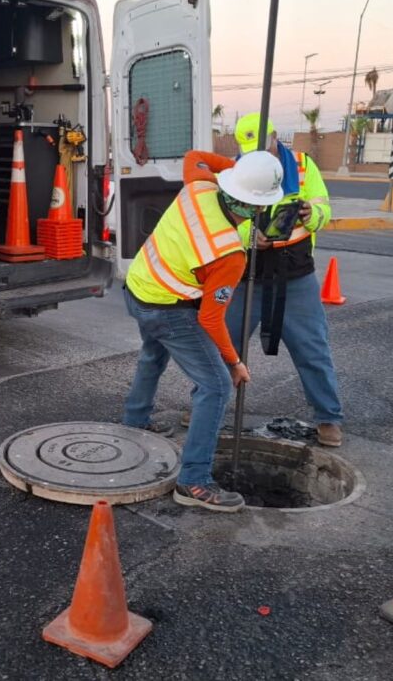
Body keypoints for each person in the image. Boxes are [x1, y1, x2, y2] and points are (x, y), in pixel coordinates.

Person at [122, 148, 285, 512]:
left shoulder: (199, 187)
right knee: (216, 386)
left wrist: (236, 169)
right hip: (167, 307)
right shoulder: (229, 255)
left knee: (153, 355)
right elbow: (211, 319)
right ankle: (194, 482)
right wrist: (234, 362)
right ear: (256, 206)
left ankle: (135, 420)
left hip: (137, 288)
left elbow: (196, 155)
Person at [227, 112, 344, 447]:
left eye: (260, 147)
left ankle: (328, 417)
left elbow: (324, 207)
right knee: (224, 345)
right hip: (245, 274)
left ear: (275, 136)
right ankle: (206, 402)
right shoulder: (234, 172)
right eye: (247, 150)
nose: (254, 157)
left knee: (312, 348)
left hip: (295, 274)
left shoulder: (304, 165)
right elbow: (226, 219)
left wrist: (312, 215)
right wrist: (250, 235)